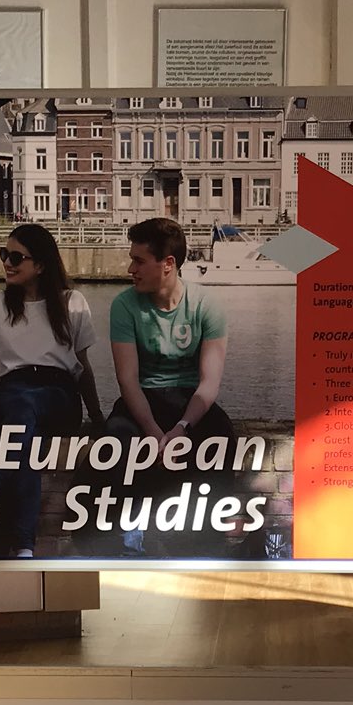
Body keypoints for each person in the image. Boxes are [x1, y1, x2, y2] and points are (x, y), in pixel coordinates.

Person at [0, 223, 102, 557]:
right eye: (4, 254)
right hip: (13, 392)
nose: (7, 263)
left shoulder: (72, 302)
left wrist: (97, 415)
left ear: (41, 265)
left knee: (21, 409)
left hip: (58, 394)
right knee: (25, 441)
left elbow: (82, 365)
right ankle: (24, 549)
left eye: (16, 257)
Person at [106, 218, 232, 552]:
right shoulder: (123, 306)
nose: (130, 269)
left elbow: (209, 382)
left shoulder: (206, 305)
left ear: (168, 264)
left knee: (221, 435)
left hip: (188, 400)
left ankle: (208, 540)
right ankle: (127, 534)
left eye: (139, 261)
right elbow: (127, 380)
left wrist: (182, 428)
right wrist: (152, 431)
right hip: (143, 397)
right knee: (117, 438)